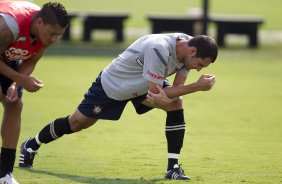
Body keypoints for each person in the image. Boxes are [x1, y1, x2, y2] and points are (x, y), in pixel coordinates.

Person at [19, 33, 218, 180]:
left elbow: (176, 88)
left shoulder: (188, 49)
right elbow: (158, 93)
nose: (198, 69)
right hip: (112, 86)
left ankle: (173, 167)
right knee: (77, 123)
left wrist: (186, 90)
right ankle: (31, 144)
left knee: (175, 104)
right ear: (192, 51)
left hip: (143, 85)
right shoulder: (160, 48)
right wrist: (197, 87)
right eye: (200, 64)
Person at [0, 1, 69, 183]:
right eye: (52, 34)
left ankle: (4, 175)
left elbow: (30, 60)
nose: (54, 39)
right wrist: (21, 79)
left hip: (6, 55)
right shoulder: (8, 27)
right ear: (39, 23)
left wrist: (15, 84)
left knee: (14, 104)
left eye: (59, 35)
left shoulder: (46, 31)